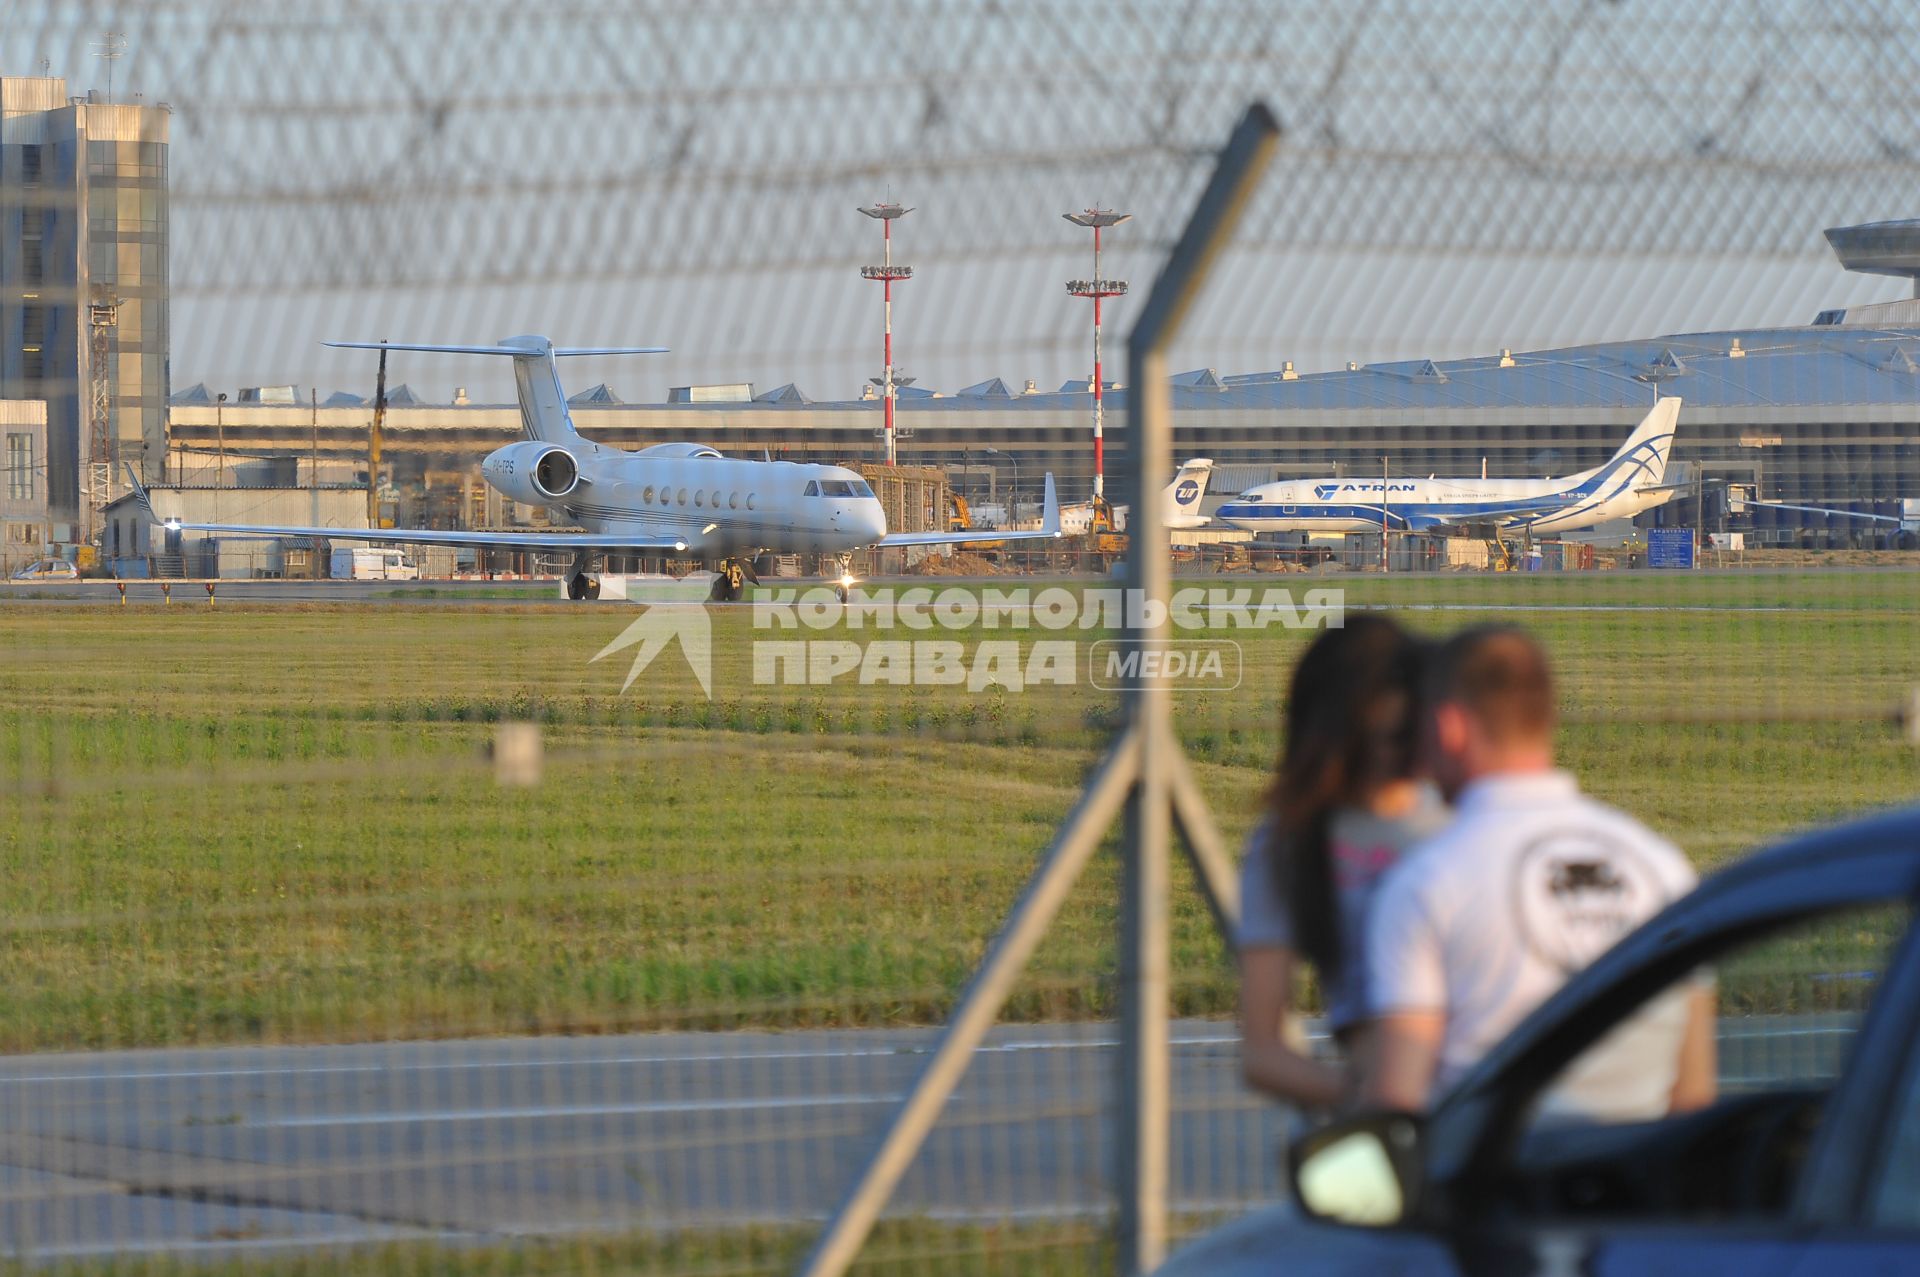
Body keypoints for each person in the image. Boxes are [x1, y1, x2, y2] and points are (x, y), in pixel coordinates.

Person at [1362, 625, 1716, 1119]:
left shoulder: (1426, 883)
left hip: (1492, 1182)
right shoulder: (1662, 865)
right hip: (1638, 1180)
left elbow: (1397, 1104)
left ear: (1450, 728)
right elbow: (1693, 1098)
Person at [1238, 615, 1448, 1109]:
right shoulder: (1289, 842)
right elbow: (1262, 1053)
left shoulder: (1461, 822)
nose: (1412, 753)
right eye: (1394, 735)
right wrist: (1377, 1102)